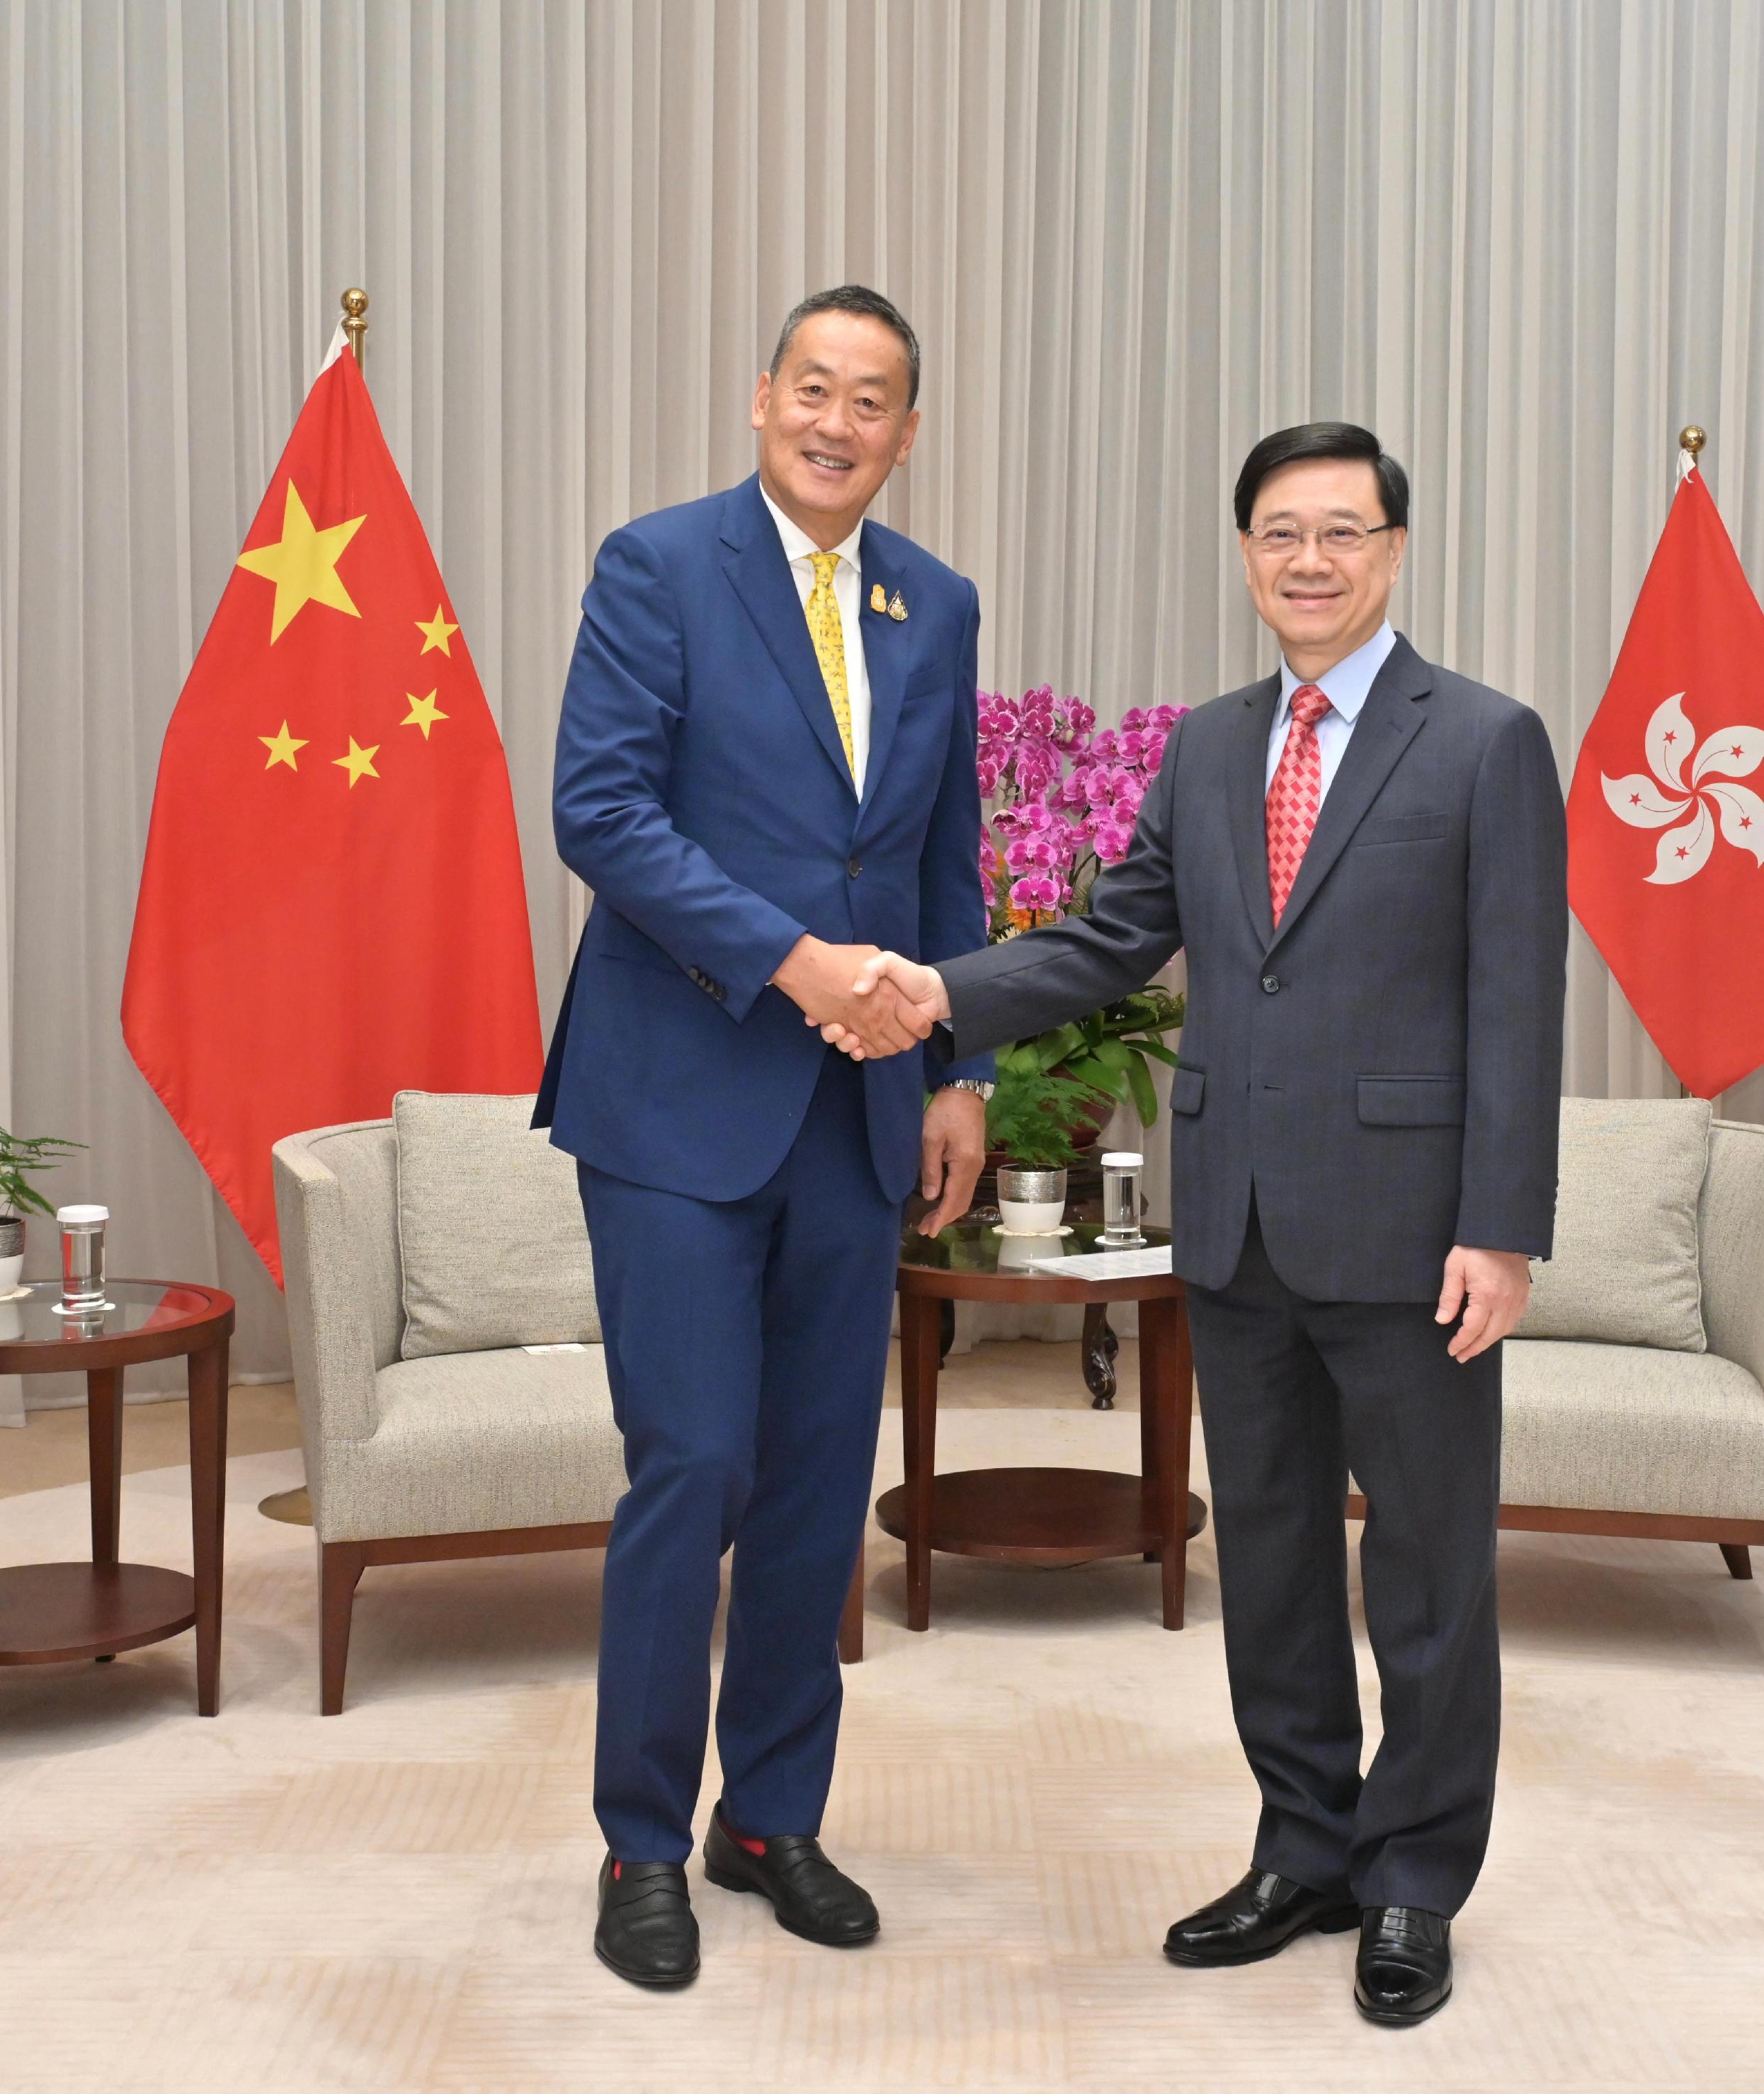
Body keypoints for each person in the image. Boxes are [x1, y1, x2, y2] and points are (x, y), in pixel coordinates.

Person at [835, 422, 1566, 2026]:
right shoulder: (1209, 745)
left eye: (1341, 532)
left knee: (1431, 1578)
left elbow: (1517, 1003)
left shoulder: (1486, 742)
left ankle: (1412, 1881)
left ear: (1392, 549)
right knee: (1281, 1566)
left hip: (1411, 1231)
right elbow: (1109, 939)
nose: (1308, 560)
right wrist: (935, 994)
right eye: (1278, 534)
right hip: (1230, 1229)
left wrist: (1501, 1227)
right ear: (1244, 554)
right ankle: (1303, 1847)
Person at [534, 285, 994, 1990]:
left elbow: (943, 853)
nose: (835, 420)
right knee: (694, 1468)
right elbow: (601, 812)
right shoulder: (657, 566)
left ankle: (769, 1816)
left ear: (906, 433)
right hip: (675, 1098)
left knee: (813, 1484)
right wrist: (794, 962)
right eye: (813, 387)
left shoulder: (930, 603)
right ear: (759, 399)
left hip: (861, 1110)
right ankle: (640, 1839)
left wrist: (960, 1074)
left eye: (870, 400)